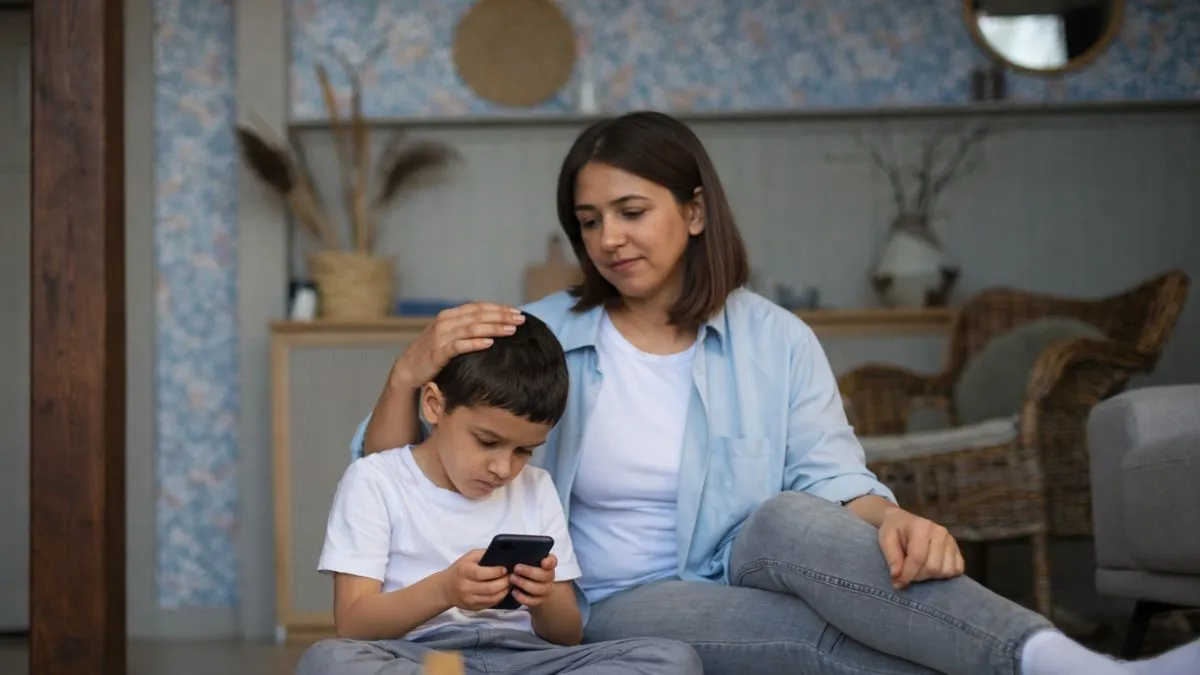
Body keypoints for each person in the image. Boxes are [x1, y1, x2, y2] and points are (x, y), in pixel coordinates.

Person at [346, 111, 1200, 675]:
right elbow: (393, 474)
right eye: (589, 219)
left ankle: (1073, 667)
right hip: (608, 594)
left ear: (693, 211)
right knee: (829, 642)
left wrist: (893, 517)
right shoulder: (533, 329)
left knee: (788, 516)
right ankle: (1069, 668)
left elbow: (832, 479)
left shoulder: (775, 337)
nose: (608, 238)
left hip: (757, 558)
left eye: (631, 211)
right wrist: (405, 371)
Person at [296, 312, 703, 675]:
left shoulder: (536, 488)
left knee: (671, 659)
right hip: (418, 657)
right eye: (487, 441)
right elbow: (353, 623)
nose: (503, 468)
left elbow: (566, 636)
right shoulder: (375, 480)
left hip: (526, 657)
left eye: (524, 450)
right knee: (329, 661)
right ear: (435, 405)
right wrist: (444, 590)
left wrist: (541, 597)